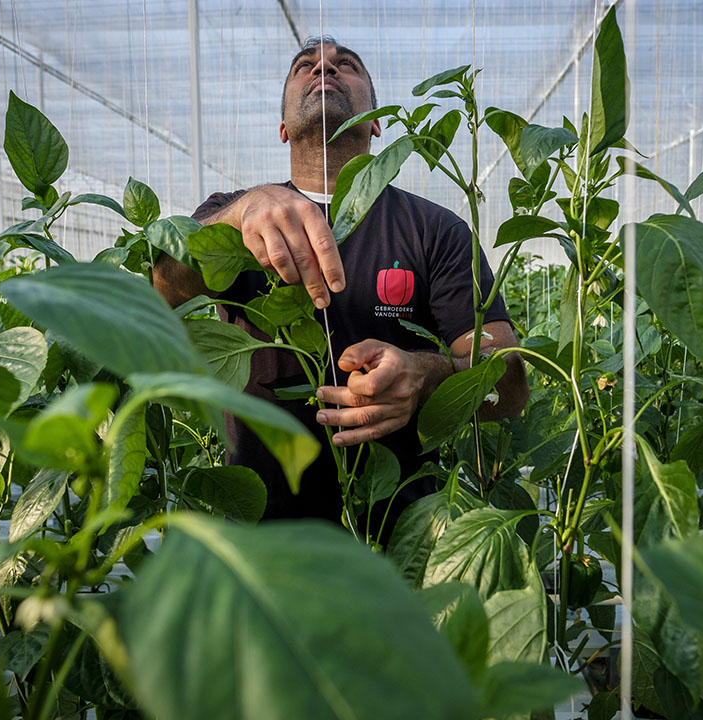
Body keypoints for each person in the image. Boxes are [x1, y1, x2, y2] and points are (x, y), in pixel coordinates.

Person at [154, 37, 528, 531]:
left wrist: (425, 373)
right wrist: (242, 213)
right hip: (265, 536)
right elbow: (164, 287)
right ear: (284, 128)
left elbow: (510, 385)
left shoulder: (435, 229)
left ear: (376, 123)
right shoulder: (233, 217)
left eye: (345, 65)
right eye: (304, 67)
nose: (324, 68)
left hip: (401, 537)